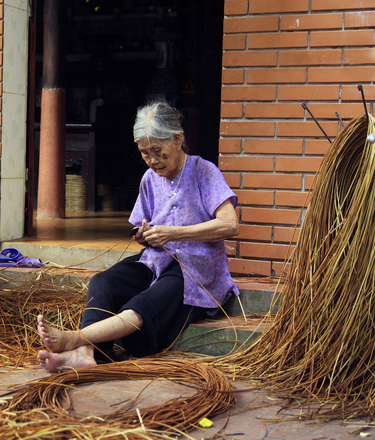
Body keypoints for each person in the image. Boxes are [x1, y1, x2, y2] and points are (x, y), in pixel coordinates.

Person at [37, 100, 240, 372]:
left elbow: (230, 224)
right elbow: (139, 226)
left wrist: (173, 234)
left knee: (141, 305)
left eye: (157, 151)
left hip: (197, 268)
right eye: (145, 153)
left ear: (177, 139)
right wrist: (143, 235)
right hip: (156, 260)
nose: (153, 160)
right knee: (104, 283)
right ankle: (87, 353)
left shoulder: (203, 171)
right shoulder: (149, 178)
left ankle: (76, 339)